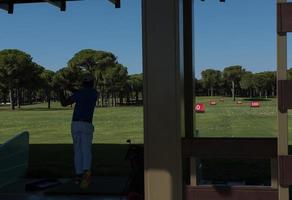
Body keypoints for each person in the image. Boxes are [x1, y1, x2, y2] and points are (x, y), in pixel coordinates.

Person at [59, 74, 98, 188]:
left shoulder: (79, 93)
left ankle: (78, 176)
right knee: (86, 150)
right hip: (87, 124)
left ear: (83, 83)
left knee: (77, 151)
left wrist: (61, 90)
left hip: (75, 124)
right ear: (92, 83)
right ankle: (86, 176)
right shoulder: (94, 93)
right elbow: (80, 92)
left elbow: (64, 103)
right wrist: (68, 86)